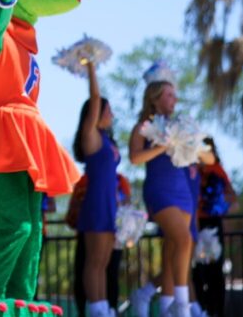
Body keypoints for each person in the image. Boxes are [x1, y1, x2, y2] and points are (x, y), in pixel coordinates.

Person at [128, 77, 195, 317]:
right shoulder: (143, 126)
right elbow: (134, 157)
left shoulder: (179, 125)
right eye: (168, 94)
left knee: (172, 251)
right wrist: (163, 146)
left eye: (174, 95)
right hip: (160, 190)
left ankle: (167, 309)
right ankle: (182, 306)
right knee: (185, 240)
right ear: (154, 100)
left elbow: (198, 155)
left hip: (183, 191)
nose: (174, 99)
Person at [71, 61, 119, 317]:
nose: (111, 115)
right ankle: (97, 309)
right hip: (96, 204)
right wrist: (91, 67)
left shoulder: (108, 140)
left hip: (110, 204)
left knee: (103, 262)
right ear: (96, 113)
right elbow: (95, 96)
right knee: (94, 260)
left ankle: (103, 307)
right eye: (107, 110)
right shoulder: (92, 136)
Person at [66, 172, 130, 316]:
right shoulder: (84, 181)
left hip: (114, 234)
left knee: (110, 273)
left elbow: (127, 204)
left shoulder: (121, 181)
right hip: (88, 231)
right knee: (87, 270)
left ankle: (109, 310)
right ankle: (89, 311)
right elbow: (73, 211)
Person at [192, 138, 237, 317]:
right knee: (197, 270)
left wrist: (222, 209)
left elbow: (233, 198)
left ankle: (216, 311)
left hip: (213, 225)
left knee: (215, 271)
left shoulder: (218, 171)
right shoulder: (192, 171)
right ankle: (200, 310)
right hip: (195, 224)